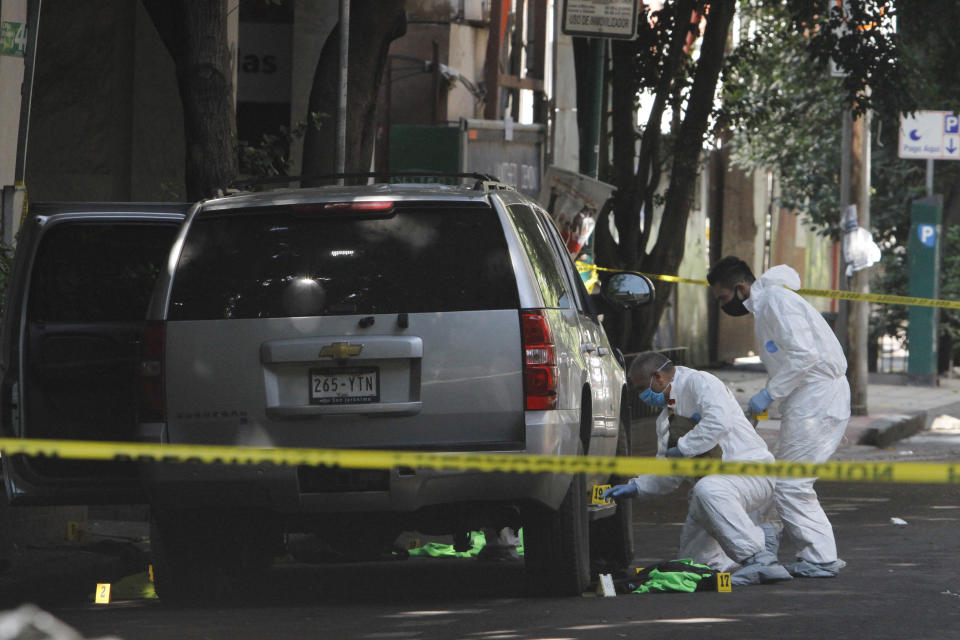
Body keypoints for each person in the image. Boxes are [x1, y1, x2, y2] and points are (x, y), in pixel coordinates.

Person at [707, 256, 848, 578]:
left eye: (724, 298)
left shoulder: (775, 301)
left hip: (818, 397)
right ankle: (785, 547)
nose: (723, 306)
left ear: (741, 288)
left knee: (791, 484)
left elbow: (804, 355)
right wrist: (772, 394)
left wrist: (770, 394)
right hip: (811, 397)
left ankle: (821, 557)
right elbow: (792, 358)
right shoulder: (768, 303)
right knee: (785, 480)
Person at [602, 352, 791, 586]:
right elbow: (669, 473)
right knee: (696, 566)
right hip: (714, 489)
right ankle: (759, 541)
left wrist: (684, 447)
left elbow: (718, 422)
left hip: (748, 475)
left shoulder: (701, 383)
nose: (642, 395)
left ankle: (760, 558)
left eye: (641, 388)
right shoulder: (665, 419)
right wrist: (636, 487)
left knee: (706, 489)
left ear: (658, 377)